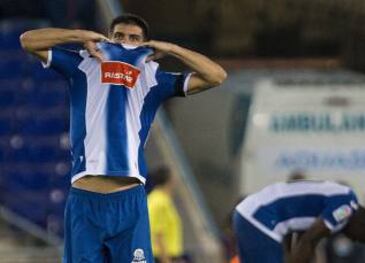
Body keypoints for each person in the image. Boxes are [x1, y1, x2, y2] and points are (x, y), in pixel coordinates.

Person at [20, 13, 227, 263]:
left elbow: (216, 75)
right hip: (85, 201)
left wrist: (171, 49)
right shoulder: (81, 64)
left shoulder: (154, 78)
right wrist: (80, 36)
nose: (125, 42)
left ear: (146, 45)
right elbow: (28, 41)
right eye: (118, 36)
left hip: (129, 202)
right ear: (108, 38)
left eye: (134, 38)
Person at [233, 180, 365, 263]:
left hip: (253, 214)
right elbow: (310, 240)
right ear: (364, 226)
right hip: (261, 218)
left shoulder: (346, 197)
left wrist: (287, 255)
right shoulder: (346, 208)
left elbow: (297, 232)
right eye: (359, 238)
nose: (352, 239)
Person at [147, 167, 186, 263]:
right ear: (169, 180)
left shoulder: (154, 198)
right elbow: (158, 233)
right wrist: (166, 260)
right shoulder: (161, 202)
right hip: (163, 256)